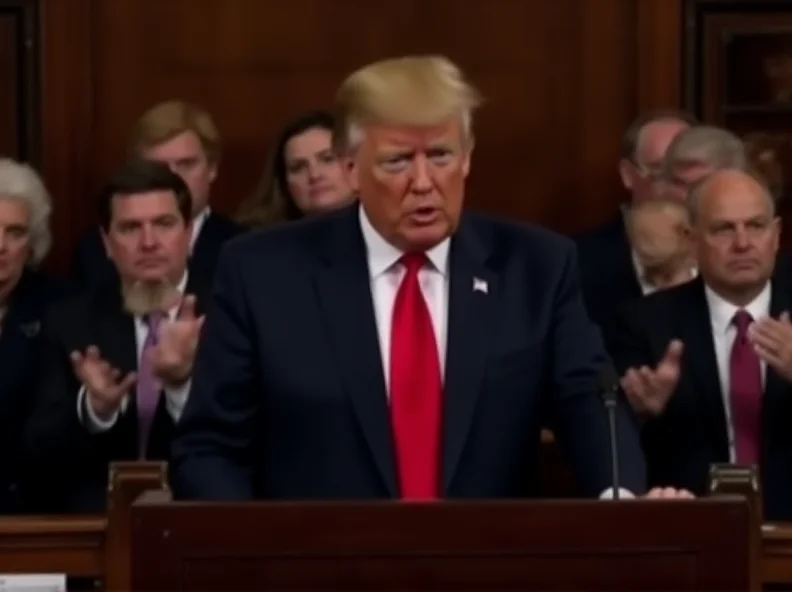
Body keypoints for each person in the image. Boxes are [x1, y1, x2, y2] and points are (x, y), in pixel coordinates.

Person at [171, 55, 689, 501]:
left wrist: (620, 499)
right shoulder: (264, 273)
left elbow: (586, 401)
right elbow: (208, 449)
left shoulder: (534, 267)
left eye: (440, 155)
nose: (424, 183)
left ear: (466, 158)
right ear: (351, 169)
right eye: (397, 161)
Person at [608, 168, 792, 519]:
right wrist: (638, 411)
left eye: (755, 226)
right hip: (689, 525)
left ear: (776, 234)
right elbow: (607, 433)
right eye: (723, 229)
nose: (742, 243)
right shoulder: (644, 323)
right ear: (691, 239)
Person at [23, 159, 205, 512]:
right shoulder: (70, 321)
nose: (149, 242)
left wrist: (181, 385)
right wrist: (95, 410)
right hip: (97, 529)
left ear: (188, 234)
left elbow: (250, 441)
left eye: (164, 224)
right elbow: (35, 456)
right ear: (107, 242)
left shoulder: (229, 313)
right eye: (131, 228)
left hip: (201, 523)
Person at [71, 100, 240, 291]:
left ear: (212, 169)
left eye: (186, 164)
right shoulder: (93, 251)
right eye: (158, 168)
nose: (173, 178)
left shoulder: (244, 249)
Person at [576, 110, 696, 336]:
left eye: (687, 174)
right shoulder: (575, 264)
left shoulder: (735, 253)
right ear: (628, 175)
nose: (676, 189)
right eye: (660, 172)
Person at [0, 159, 71, 513]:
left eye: (16, 232)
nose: (2, 247)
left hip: (33, 510)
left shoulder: (59, 306)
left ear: (32, 243)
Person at [235, 110, 355, 229]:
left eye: (327, 159)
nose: (314, 175)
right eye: (298, 168)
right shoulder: (258, 244)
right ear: (284, 183)